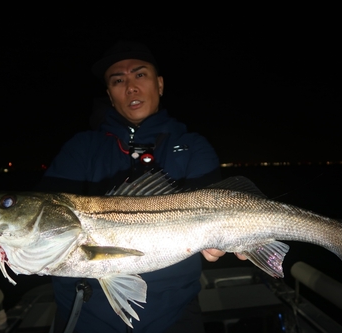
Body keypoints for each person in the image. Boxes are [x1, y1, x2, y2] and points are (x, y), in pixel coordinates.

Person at [37, 40, 238, 332]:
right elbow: (46, 218)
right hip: (86, 316)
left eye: (139, 75)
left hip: (176, 314)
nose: (130, 87)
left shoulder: (193, 146)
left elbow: (216, 212)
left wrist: (224, 240)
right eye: (118, 80)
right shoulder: (80, 148)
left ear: (159, 84)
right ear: (109, 94)